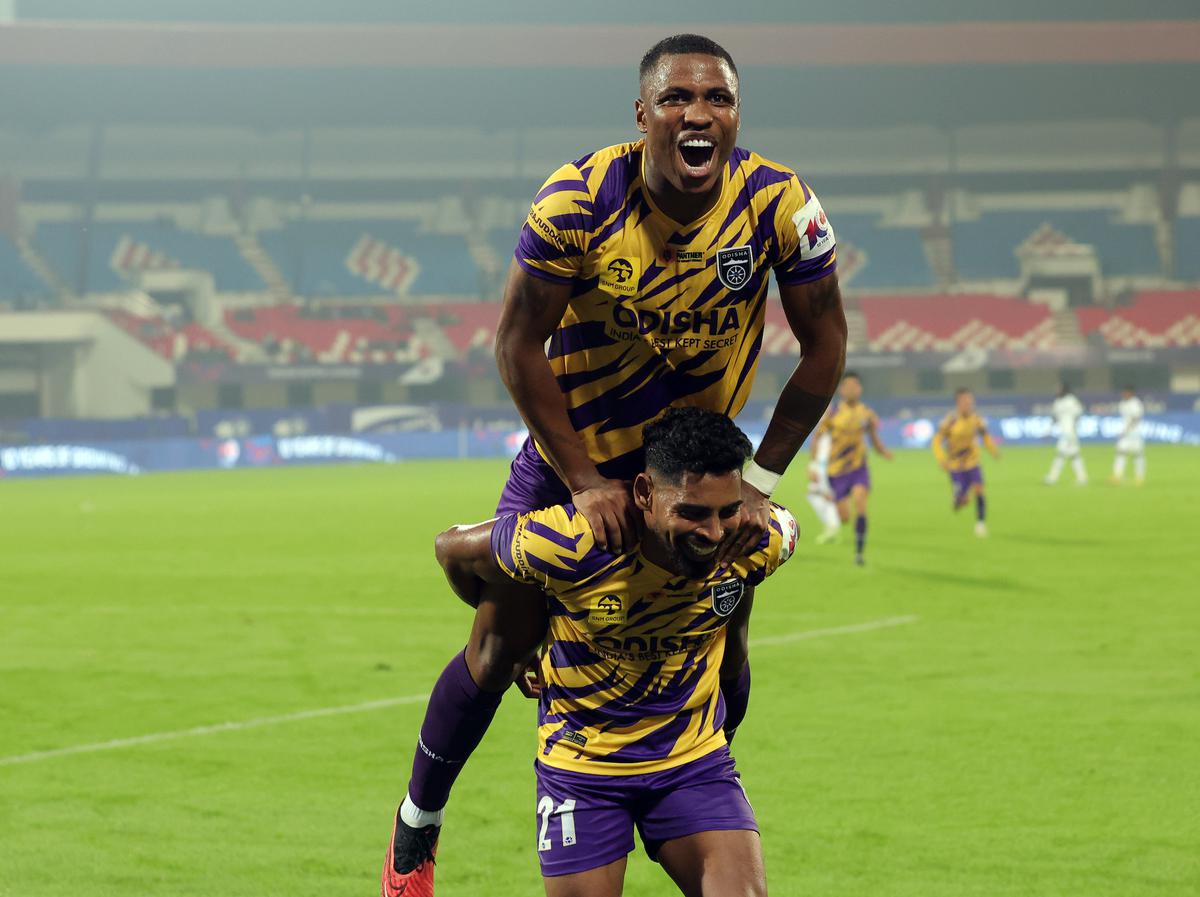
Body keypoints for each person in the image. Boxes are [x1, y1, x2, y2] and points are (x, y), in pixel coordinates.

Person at [383, 33, 847, 896]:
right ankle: (416, 831)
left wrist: (761, 482)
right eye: (677, 99)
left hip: (694, 477)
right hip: (576, 456)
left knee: (724, 627)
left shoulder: (782, 206)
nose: (698, 114)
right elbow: (516, 345)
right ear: (643, 115)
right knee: (500, 641)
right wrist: (588, 481)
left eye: (717, 99)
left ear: (737, 114)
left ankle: (701, 783)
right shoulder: (576, 201)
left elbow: (826, 343)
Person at [431, 408, 797, 897]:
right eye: (691, 512)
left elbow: (740, 638)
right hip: (583, 770)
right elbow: (451, 549)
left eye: (726, 511)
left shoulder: (759, 537)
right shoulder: (569, 542)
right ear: (644, 494)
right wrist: (527, 633)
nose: (712, 533)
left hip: (692, 763)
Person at [817, 372, 891, 565]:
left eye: (855, 386)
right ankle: (837, 509)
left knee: (860, 505)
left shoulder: (867, 413)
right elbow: (818, 437)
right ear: (842, 390)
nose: (851, 390)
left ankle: (859, 552)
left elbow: (873, 438)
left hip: (859, 469)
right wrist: (814, 465)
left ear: (860, 389)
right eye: (847, 386)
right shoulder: (832, 413)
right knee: (845, 518)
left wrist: (883, 451)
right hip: (836, 471)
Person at [932, 388, 999, 537]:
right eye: (964, 401)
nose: (968, 404)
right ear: (958, 403)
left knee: (979, 489)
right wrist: (941, 458)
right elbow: (936, 440)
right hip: (955, 465)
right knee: (962, 501)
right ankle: (958, 499)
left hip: (972, 461)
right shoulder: (951, 420)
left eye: (970, 400)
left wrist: (992, 449)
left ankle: (980, 524)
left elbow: (985, 436)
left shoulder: (976, 419)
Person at [1044, 384, 1087, 486]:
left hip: (1070, 432)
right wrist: (1049, 431)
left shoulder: (1071, 400)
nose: (1057, 390)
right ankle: (1082, 477)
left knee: (1061, 454)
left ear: (1064, 390)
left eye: (1059, 389)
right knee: (1074, 455)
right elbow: (1055, 417)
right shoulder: (1058, 402)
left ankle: (1052, 477)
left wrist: (1074, 429)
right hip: (1064, 432)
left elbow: (1078, 414)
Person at [806, 421, 841, 544]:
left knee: (825, 496)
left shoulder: (830, 439)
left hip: (827, 471)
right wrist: (812, 466)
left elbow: (826, 458)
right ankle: (832, 526)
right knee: (814, 495)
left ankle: (832, 527)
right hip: (821, 469)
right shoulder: (823, 438)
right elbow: (816, 453)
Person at [1110, 386, 1145, 485]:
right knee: (1120, 452)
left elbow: (1136, 418)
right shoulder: (1123, 403)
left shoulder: (1136, 403)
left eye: (1126, 392)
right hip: (1125, 433)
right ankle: (1117, 476)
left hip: (1134, 433)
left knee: (1137, 454)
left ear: (1131, 393)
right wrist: (1124, 431)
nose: (1123, 394)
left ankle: (1139, 478)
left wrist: (1127, 430)